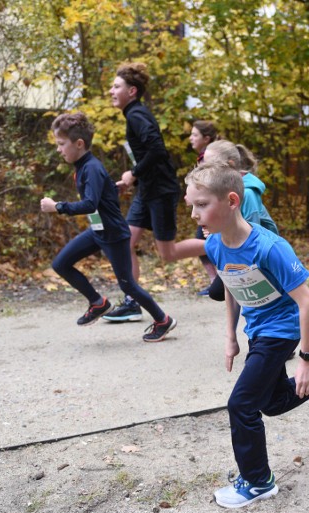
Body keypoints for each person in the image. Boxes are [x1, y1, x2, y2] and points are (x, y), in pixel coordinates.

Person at [184, 161, 309, 509]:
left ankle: (258, 482)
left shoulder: (271, 247)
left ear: (230, 201)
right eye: (191, 205)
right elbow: (229, 284)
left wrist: (306, 359)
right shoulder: (216, 244)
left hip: (282, 330)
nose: (194, 214)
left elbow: (308, 304)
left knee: (241, 404)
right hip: (258, 330)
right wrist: (230, 335)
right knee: (270, 403)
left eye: (201, 205)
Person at [39, 112, 176, 342]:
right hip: (98, 231)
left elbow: (90, 203)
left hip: (113, 234)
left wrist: (58, 206)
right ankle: (97, 302)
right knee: (61, 263)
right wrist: (112, 188)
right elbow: (100, 196)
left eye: (62, 144)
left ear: (79, 144)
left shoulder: (90, 167)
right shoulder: (84, 166)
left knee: (128, 285)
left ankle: (163, 320)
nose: (58, 149)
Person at [101, 62, 206, 323]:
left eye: (116, 86)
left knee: (167, 253)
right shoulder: (133, 114)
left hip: (160, 191)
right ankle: (132, 300)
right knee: (126, 242)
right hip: (147, 191)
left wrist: (133, 173)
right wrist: (133, 181)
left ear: (132, 91)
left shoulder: (137, 115)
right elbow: (151, 154)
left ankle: (229, 245)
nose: (111, 91)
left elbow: (157, 150)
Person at [200, 140, 279, 303]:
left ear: (230, 164)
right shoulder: (223, 189)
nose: (206, 170)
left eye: (210, 165)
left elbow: (252, 235)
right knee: (218, 292)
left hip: (263, 255)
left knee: (218, 291)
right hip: (237, 250)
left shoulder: (248, 194)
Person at [190, 120, 220, 295]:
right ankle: (215, 282)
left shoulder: (212, 158)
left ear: (206, 138)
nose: (191, 138)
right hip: (204, 208)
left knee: (203, 244)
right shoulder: (202, 157)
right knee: (203, 244)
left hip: (213, 209)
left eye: (195, 135)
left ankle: (221, 281)